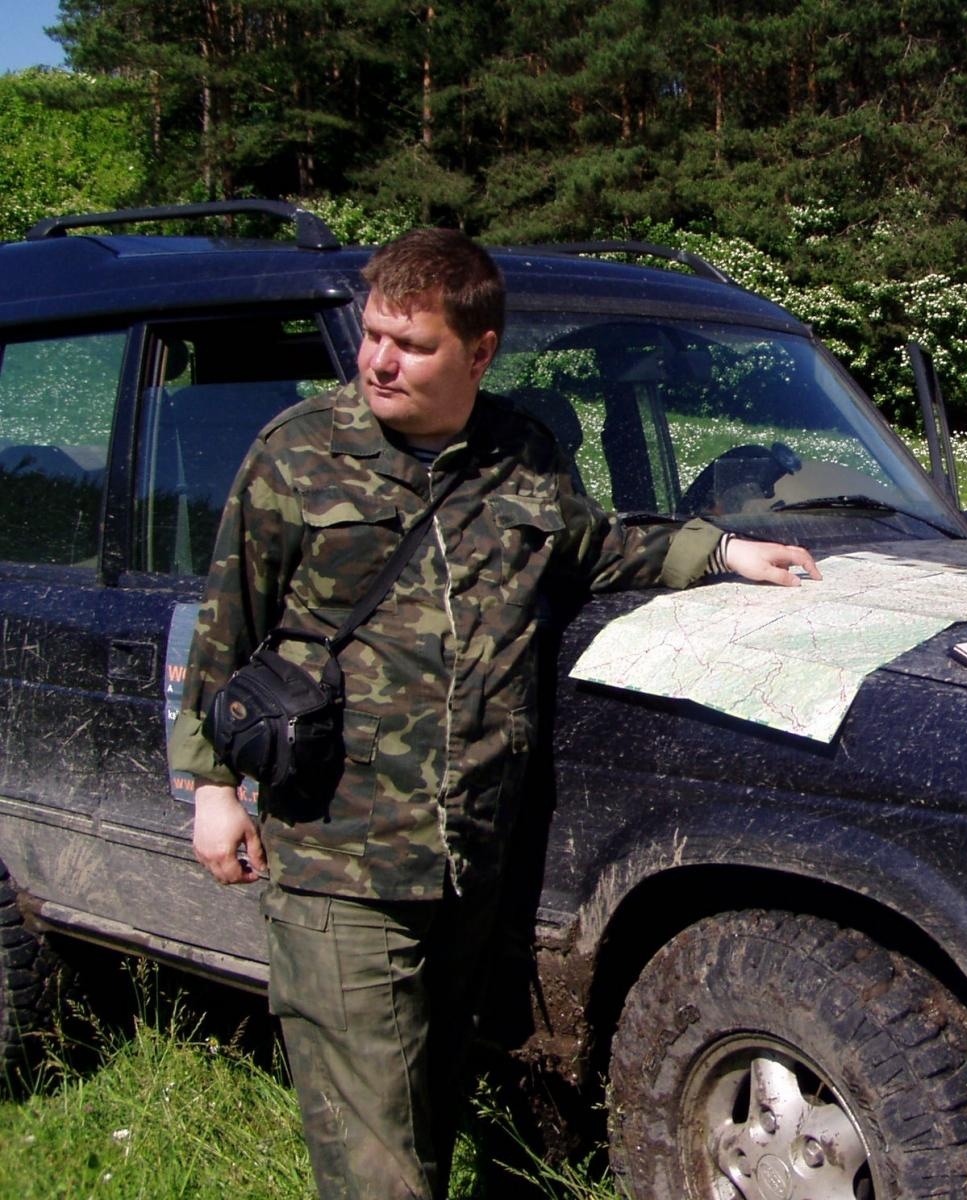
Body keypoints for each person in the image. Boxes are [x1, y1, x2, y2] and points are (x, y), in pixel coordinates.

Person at [167, 227, 819, 1200]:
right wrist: (213, 788)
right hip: (341, 863)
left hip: (469, 862)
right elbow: (226, 629)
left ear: (479, 352)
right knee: (375, 1167)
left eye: (411, 344)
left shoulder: (521, 454)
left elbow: (594, 548)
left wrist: (723, 553)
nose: (379, 360)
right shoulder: (298, 455)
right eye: (374, 336)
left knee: (427, 1114)